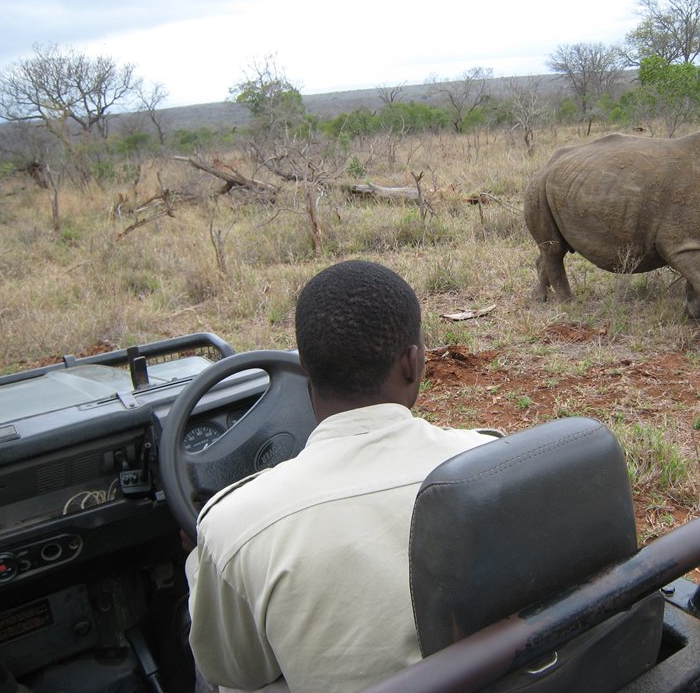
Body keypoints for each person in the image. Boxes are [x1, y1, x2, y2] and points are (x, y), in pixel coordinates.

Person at [185, 260, 497, 693]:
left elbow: (234, 671)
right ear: (412, 362)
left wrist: (204, 557)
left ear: (304, 371)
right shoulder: (494, 458)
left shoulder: (233, 526)